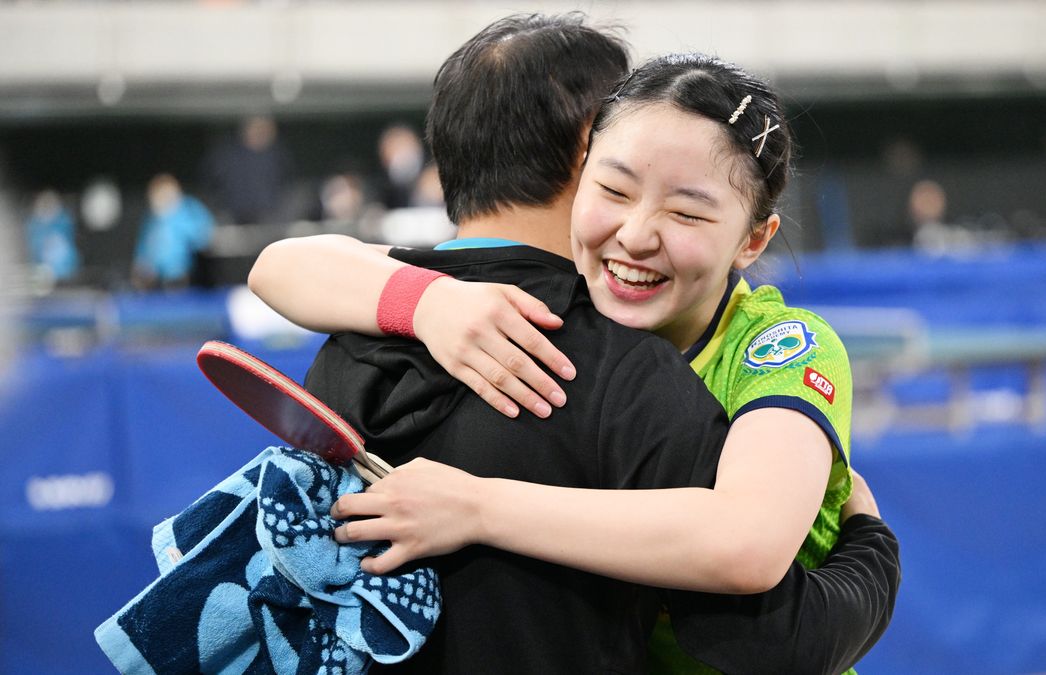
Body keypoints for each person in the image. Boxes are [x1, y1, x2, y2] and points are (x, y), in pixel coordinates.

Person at [251, 14, 898, 674]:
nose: (637, 233)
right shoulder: (539, 303)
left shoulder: (779, 347)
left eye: (687, 212)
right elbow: (279, 265)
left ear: (753, 240)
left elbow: (746, 549)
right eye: (615, 188)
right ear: (582, 169)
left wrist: (475, 505)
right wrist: (429, 303)